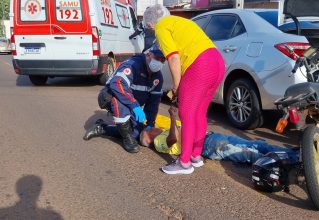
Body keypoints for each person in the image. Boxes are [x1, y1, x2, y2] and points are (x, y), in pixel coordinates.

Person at [142, 4, 226, 174]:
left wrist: (176, 86)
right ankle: (195, 155)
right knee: (199, 113)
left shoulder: (161, 27)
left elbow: (173, 57)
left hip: (200, 65)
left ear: (150, 24)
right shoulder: (181, 21)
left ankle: (184, 162)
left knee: (186, 114)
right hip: (217, 62)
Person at [139, 106, 298, 171]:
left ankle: (294, 154)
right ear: (149, 138)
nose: (151, 127)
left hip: (211, 138)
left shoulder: (163, 130)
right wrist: (173, 118)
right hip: (210, 146)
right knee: (251, 153)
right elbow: (172, 141)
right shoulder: (159, 142)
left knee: (256, 144)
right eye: (148, 130)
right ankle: (293, 162)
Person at [84, 48, 166, 153]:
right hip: (110, 96)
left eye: (162, 60)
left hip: (131, 103)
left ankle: (102, 128)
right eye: (157, 58)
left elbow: (153, 102)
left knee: (136, 133)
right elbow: (117, 84)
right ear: (149, 55)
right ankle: (127, 138)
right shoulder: (133, 65)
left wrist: (150, 123)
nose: (159, 62)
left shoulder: (157, 77)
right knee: (120, 105)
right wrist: (135, 105)